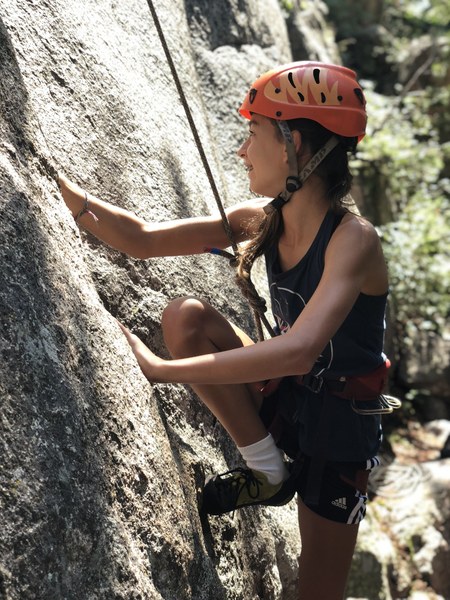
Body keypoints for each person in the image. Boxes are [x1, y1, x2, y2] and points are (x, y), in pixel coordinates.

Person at [60, 61, 392, 599]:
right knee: (185, 318)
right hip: (290, 398)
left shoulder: (354, 240)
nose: (242, 150)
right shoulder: (259, 219)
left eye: (253, 133)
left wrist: (165, 371)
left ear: (293, 145)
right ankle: (267, 471)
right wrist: (66, 192)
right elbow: (143, 240)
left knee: (318, 593)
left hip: (341, 431)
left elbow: (301, 351)